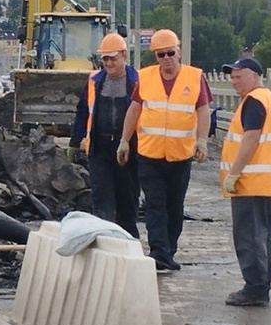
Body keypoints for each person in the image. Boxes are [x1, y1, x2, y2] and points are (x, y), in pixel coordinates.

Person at [117, 29, 212, 271]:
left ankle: (169, 249)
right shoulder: (145, 77)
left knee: (174, 205)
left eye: (170, 53)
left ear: (178, 51)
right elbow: (135, 109)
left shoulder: (194, 77)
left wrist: (202, 140)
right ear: (155, 57)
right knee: (154, 204)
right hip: (150, 155)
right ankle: (159, 253)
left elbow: (203, 110)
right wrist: (125, 140)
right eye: (161, 55)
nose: (166, 58)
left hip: (181, 155)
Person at [219, 57, 271, 306]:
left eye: (239, 76)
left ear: (255, 76)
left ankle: (255, 288)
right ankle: (262, 284)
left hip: (251, 182)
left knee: (250, 235)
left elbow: (251, 138)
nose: (234, 81)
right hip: (268, 182)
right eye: (232, 77)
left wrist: (234, 173)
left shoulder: (254, 100)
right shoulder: (269, 99)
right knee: (265, 235)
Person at [68, 33, 140, 238]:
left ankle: (129, 240)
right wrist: (75, 142)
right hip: (99, 149)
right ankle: (104, 239)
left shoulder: (137, 81)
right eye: (105, 59)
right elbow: (83, 111)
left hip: (128, 150)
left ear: (124, 56)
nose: (108, 63)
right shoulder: (94, 81)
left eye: (112, 58)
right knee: (102, 200)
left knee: (128, 200)